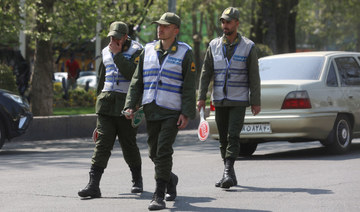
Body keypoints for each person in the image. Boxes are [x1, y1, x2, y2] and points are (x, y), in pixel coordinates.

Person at [124, 12, 196, 210]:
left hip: (172, 110)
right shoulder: (147, 50)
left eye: (165, 26)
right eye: (159, 25)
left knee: (163, 151)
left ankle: (159, 194)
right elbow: (137, 81)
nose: (160, 28)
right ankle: (170, 179)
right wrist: (130, 104)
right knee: (154, 153)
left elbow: (190, 86)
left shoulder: (184, 52)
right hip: (151, 108)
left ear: (176, 30)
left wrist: (186, 112)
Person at [197, 7, 261, 189]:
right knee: (223, 138)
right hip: (219, 99)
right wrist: (201, 97)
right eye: (223, 22)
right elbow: (205, 72)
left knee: (233, 135)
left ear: (237, 23)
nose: (225, 25)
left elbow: (254, 77)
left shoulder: (248, 46)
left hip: (238, 100)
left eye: (229, 22)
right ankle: (229, 174)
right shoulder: (214, 45)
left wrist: (255, 101)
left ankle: (227, 171)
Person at [78, 21, 144, 198]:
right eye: (111, 36)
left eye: (117, 37)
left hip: (127, 105)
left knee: (128, 145)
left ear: (125, 37)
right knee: (102, 144)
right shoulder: (105, 51)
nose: (113, 40)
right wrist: (97, 108)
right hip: (106, 104)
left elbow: (135, 75)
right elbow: (102, 79)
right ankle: (93, 184)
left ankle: (137, 179)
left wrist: (118, 55)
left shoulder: (138, 51)